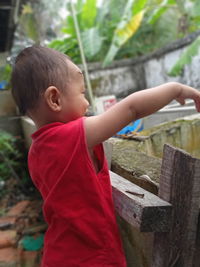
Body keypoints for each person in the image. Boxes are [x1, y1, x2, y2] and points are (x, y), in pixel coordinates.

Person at [11, 45, 200, 267]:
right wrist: (176, 89)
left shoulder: (37, 150)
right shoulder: (68, 137)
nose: (88, 103)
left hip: (59, 254)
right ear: (54, 99)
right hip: (91, 258)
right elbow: (132, 109)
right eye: (82, 94)